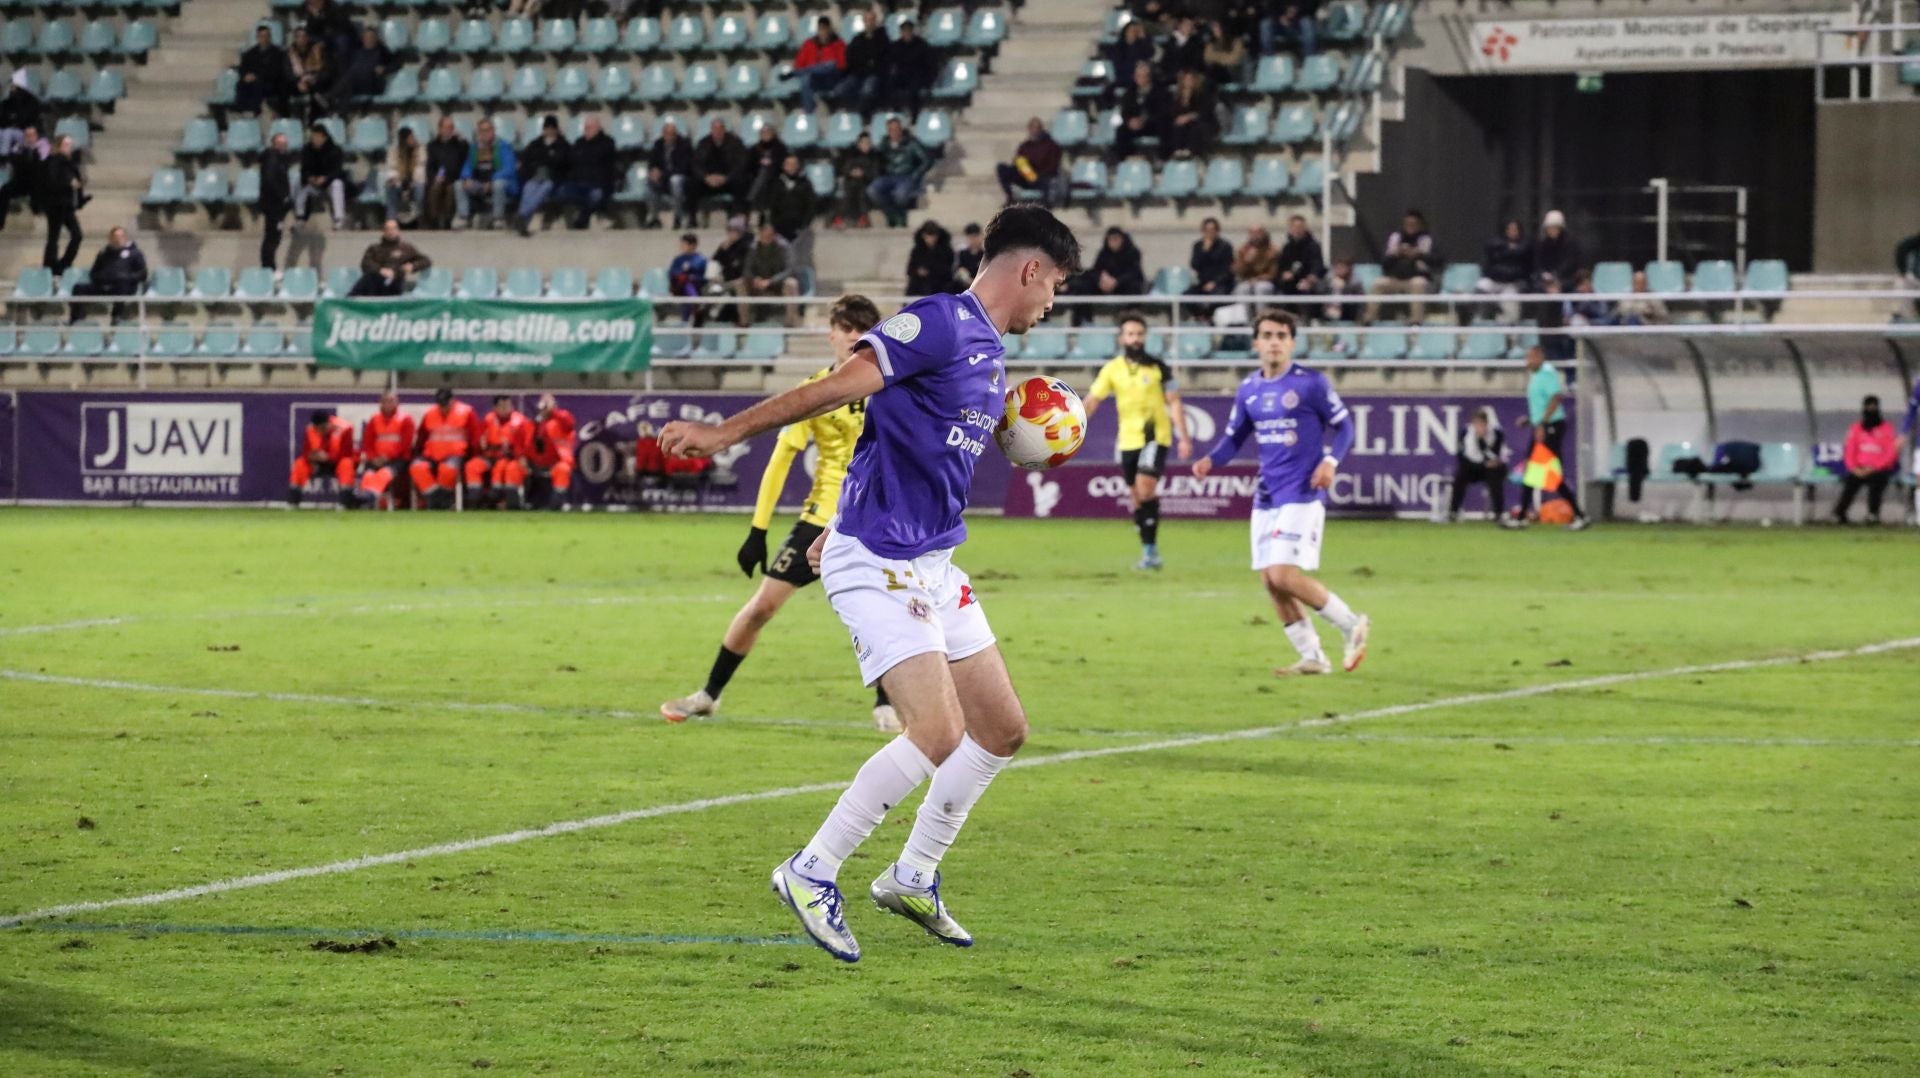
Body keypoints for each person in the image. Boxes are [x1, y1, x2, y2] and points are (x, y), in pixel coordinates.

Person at [657, 204, 1082, 963]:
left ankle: (913, 874)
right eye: (1056, 285)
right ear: (1031, 269)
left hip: (931, 560)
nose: (1054, 302)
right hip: (881, 560)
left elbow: (898, 441)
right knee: (936, 731)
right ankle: (811, 869)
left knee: (1003, 728)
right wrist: (726, 433)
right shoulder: (942, 324)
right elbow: (838, 388)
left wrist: (838, 516)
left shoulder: (989, 350)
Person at [660, 295, 897, 730]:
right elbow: (781, 459)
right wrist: (758, 528)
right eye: (841, 328)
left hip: (874, 519)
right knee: (762, 608)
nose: (843, 335)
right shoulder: (815, 392)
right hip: (819, 519)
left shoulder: (892, 389)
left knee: (883, 610)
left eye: (852, 328)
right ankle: (709, 694)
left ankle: (886, 702)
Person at [1191, 310, 1370, 676]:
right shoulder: (1249, 389)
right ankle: (1314, 657)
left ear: (1292, 342)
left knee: (1284, 574)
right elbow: (1235, 438)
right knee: (1270, 580)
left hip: (1302, 491)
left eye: (1282, 335)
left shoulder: (1311, 384)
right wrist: (1211, 460)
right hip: (1268, 493)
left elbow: (1345, 427)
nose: (1274, 341)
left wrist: (1331, 462)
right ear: (1255, 343)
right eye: (1268, 335)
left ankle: (1351, 623)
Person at [1085, 312, 1192, 569]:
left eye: (1139, 334)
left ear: (1145, 337)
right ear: (1122, 338)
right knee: (1136, 498)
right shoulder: (1112, 369)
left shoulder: (1158, 367)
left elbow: (1174, 401)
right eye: (1130, 334)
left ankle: (1151, 552)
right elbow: (1092, 401)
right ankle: (1149, 552)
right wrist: (1072, 428)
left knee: (1145, 488)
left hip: (1156, 437)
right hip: (1128, 441)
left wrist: (1184, 437)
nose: (1135, 339)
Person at [1513, 345, 1589, 530]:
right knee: (1535, 473)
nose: (1528, 362)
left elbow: (1556, 398)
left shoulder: (1547, 373)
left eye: (1531, 358)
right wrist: (1531, 420)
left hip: (1550, 428)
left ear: (1540, 357)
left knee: (1548, 475)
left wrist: (1542, 424)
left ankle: (1579, 515)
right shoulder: (1537, 376)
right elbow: (1542, 403)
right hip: (1544, 426)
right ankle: (1522, 516)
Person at [409, 387, 482, 510]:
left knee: (447, 469)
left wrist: (472, 455)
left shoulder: (466, 412)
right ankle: (435, 497)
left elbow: (475, 436)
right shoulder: (430, 414)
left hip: (455, 455)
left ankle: (441, 500)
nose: (443, 407)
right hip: (431, 454)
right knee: (416, 467)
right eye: (440, 404)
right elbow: (422, 436)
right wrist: (417, 453)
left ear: (452, 400)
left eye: (445, 404)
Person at [1833, 395, 1899, 525]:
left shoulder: (1887, 428)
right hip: (1859, 468)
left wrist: (1875, 467)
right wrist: (1853, 468)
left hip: (1879, 469)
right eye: (1868, 406)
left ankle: (1873, 515)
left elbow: (1891, 453)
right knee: (1850, 483)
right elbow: (1850, 450)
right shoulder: (1856, 428)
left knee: (1877, 484)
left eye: (1874, 406)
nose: (1871, 409)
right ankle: (1839, 514)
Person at [1364, 209, 1435, 324]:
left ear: (1420, 225)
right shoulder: (1395, 238)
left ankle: (1416, 321)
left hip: (1415, 278)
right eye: (1407, 224)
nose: (1410, 227)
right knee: (1378, 283)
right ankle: (1369, 318)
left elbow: (1436, 262)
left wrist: (1418, 255)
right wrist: (1395, 253)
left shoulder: (1426, 239)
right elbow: (1384, 264)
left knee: (1418, 283)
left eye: (1413, 224)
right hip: (1395, 278)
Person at [1065, 226, 1146, 325]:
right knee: (1083, 285)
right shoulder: (1104, 253)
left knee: (1134, 285)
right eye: (1110, 240)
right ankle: (1082, 322)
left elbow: (1134, 272)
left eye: (1116, 239)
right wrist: (1101, 278)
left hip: (1124, 287)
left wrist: (1117, 281)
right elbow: (1096, 270)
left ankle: (1130, 317)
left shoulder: (1132, 253)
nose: (1113, 243)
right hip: (1104, 286)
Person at [465, 395, 534, 510]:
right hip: (490, 456)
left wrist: (521, 456)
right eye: (501, 406)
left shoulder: (521, 421)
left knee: (506, 467)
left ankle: (503, 500)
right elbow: (479, 441)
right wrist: (482, 446)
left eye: (508, 405)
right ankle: (474, 501)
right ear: (495, 408)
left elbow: (526, 444)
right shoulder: (488, 420)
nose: (505, 409)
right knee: (472, 466)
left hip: (512, 458)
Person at [69, 226, 147, 321]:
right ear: (110, 239)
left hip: (123, 287)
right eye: (115, 237)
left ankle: (116, 317)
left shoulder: (135, 254)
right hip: (104, 286)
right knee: (78, 288)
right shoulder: (103, 254)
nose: (117, 240)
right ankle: (76, 318)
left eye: (120, 237)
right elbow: (94, 272)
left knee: (122, 283)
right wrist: (102, 278)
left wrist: (127, 277)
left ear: (125, 238)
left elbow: (142, 274)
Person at [866, 117, 930, 228]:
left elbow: (927, 160)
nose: (894, 132)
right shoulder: (883, 144)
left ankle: (900, 216)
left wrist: (916, 175)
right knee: (872, 190)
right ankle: (891, 214)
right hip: (888, 177)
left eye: (896, 129)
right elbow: (875, 160)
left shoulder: (911, 143)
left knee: (900, 194)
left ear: (901, 130)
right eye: (891, 130)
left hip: (906, 176)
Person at [354, 393, 415, 508]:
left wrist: (388, 457)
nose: (388, 404)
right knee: (368, 474)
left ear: (397, 403)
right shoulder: (374, 419)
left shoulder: (405, 419)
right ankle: (366, 499)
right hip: (376, 458)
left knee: (384, 473)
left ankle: (369, 497)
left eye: (391, 401)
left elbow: (405, 444)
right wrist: (373, 457)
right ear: (381, 403)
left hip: (398, 459)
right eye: (385, 401)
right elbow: (368, 442)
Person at [1447, 406, 1508, 522]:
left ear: (1486, 423)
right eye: (1476, 424)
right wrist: (1482, 465)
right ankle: (1453, 512)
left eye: (1481, 424)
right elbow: (1461, 456)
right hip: (1472, 466)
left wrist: (1481, 441)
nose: (1479, 427)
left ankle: (1498, 513)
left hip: (1491, 469)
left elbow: (1494, 457)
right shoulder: (1466, 433)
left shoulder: (1496, 434)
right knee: (1460, 477)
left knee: (1496, 477)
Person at [733, 221, 799, 327]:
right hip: (757, 284)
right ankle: (744, 322)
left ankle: (790, 323)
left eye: (769, 236)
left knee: (791, 284)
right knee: (739, 283)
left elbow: (790, 270)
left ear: (774, 235)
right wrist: (754, 279)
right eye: (764, 236)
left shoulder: (784, 247)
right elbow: (747, 270)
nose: (766, 238)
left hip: (778, 284)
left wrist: (770, 281)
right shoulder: (753, 248)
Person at [514, 115, 571, 236]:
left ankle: (523, 215)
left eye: (552, 128)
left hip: (554, 179)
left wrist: (547, 159)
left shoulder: (563, 145)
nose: (549, 131)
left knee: (545, 187)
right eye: (547, 128)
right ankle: (523, 223)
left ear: (556, 129)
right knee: (528, 188)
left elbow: (563, 163)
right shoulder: (535, 144)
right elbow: (526, 160)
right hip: (535, 177)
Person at [288, 409, 357, 507]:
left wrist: (328, 457)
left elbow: (347, 453)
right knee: (300, 463)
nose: (321, 431)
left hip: (338, 462)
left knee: (347, 463)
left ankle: (344, 501)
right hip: (318, 463)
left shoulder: (345, 428)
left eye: (323, 428)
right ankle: (293, 500)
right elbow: (306, 452)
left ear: (329, 423)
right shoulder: (311, 430)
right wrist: (312, 457)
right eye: (318, 429)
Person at [457, 117, 517, 229]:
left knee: (498, 184)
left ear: (493, 130)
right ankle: (464, 218)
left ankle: (498, 218)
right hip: (480, 183)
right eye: (483, 130)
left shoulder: (503, 146)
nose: (486, 133)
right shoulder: (474, 148)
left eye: (488, 130)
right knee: (459, 184)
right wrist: (467, 177)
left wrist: (491, 181)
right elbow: (467, 166)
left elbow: (509, 169)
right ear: (479, 132)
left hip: (499, 183)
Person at [349, 218, 432, 297]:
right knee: (368, 278)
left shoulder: (406, 248)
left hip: (395, 281)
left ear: (398, 231)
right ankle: (349, 302)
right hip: (376, 281)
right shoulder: (374, 248)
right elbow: (365, 263)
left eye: (393, 229)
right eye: (388, 229)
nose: (391, 232)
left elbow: (426, 260)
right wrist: (380, 270)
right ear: (384, 231)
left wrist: (413, 266)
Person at [994, 117, 1064, 207]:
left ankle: (1045, 206)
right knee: (1002, 168)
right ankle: (1010, 198)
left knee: (1046, 181)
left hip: (1041, 177)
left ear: (1041, 129)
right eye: (1032, 128)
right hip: (1026, 177)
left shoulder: (1051, 145)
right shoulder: (1025, 145)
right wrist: (1021, 166)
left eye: (1037, 128)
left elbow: (1053, 165)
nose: (1034, 131)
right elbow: (1018, 160)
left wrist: (1037, 174)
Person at [40, 134, 83, 274]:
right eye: (66, 144)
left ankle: (60, 265)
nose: (69, 148)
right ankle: (53, 266)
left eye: (70, 145)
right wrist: (69, 184)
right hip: (56, 204)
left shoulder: (68, 163)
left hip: (65, 204)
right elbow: (51, 182)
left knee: (72, 236)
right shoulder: (53, 161)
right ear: (58, 146)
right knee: (56, 237)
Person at [524, 393, 576, 510]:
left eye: (548, 403)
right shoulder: (534, 423)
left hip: (557, 461)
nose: (545, 407)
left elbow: (570, 423)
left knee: (562, 469)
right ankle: (521, 503)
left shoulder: (561, 419)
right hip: (536, 462)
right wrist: (523, 457)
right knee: (515, 468)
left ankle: (556, 506)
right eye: (543, 403)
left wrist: (552, 410)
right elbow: (526, 444)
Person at [565, 115, 617, 229]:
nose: (586, 130)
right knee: (565, 191)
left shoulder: (607, 143)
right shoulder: (579, 143)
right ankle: (591, 216)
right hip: (579, 182)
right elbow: (572, 162)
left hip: (599, 182)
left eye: (589, 127)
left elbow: (606, 165)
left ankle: (581, 220)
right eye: (585, 127)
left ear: (598, 128)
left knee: (595, 195)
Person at [1113, 61, 1168, 161]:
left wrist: (1144, 121)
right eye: (1138, 76)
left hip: (1152, 125)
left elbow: (1162, 112)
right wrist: (1129, 121)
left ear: (1149, 77)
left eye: (1144, 76)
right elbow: (1125, 111)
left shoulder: (1160, 92)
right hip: (1135, 125)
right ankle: (1125, 159)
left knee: (1164, 125)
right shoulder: (1130, 92)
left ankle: (1163, 157)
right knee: (1121, 130)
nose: (1140, 79)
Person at [693, 118, 746, 221]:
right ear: (711, 130)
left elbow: (740, 164)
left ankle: (736, 215)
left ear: (724, 129)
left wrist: (726, 178)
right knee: (691, 184)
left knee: (742, 182)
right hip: (708, 180)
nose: (717, 131)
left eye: (720, 128)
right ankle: (692, 218)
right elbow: (696, 164)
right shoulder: (703, 143)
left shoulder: (735, 143)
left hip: (728, 180)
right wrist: (706, 177)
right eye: (715, 128)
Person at [294, 124, 346, 229]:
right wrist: (310, 178)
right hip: (313, 184)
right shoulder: (307, 150)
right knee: (298, 183)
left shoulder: (335, 150)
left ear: (324, 137)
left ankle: (338, 219)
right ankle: (300, 217)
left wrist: (325, 178)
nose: (314, 139)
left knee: (338, 184)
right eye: (313, 137)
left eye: (317, 137)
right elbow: (304, 170)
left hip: (328, 183)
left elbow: (337, 171)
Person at [839, 7, 888, 118]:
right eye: (867, 20)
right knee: (842, 89)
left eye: (871, 19)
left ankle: (861, 115)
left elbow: (880, 59)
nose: (869, 23)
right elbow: (851, 58)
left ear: (875, 21)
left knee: (867, 89)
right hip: (858, 74)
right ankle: (852, 111)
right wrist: (867, 61)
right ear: (864, 22)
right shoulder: (857, 39)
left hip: (874, 75)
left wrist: (867, 61)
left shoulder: (882, 38)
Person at [0, 123, 48, 233]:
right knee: (4, 190)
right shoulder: (19, 147)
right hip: (21, 181)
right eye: (27, 135)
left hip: (37, 181)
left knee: (39, 184)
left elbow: (44, 163)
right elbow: (13, 160)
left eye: (32, 135)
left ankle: (38, 211)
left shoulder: (42, 146)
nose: (29, 137)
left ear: (36, 135)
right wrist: (22, 150)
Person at [793, 16, 846, 114]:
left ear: (829, 29)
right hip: (814, 79)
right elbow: (798, 65)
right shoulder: (809, 44)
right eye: (820, 29)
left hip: (831, 79)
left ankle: (814, 70)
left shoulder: (838, 44)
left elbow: (842, 65)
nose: (822, 32)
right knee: (806, 79)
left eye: (825, 29)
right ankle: (809, 113)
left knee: (830, 65)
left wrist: (825, 67)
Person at [644, 119, 692, 228]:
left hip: (681, 179)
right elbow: (652, 162)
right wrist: (653, 171)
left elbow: (683, 167)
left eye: (672, 134)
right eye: (666, 134)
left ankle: (678, 216)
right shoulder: (658, 144)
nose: (669, 136)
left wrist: (663, 174)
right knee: (649, 182)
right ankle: (654, 217)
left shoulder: (684, 144)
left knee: (675, 181)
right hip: (663, 178)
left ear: (676, 134)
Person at [328, 26, 392, 108]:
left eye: (372, 37)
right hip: (356, 83)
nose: (369, 39)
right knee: (348, 85)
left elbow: (396, 63)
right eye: (367, 37)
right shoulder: (357, 51)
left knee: (350, 76)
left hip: (371, 84)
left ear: (376, 39)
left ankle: (329, 97)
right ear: (363, 39)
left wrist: (384, 69)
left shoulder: (382, 51)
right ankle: (341, 113)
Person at [757, 154, 815, 242]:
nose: (791, 167)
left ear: (798, 166)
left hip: (799, 227)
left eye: (793, 164)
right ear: (784, 165)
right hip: (779, 227)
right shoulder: (776, 182)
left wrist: (805, 224)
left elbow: (811, 205)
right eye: (788, 164)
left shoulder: (805, 183)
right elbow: (771, 204)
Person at [235, 25, 291, 116]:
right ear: (257, 38)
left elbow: (276, 71)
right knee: (240, 84)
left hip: (272, 83)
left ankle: (255, 111)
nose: (264, 39)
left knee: (259, 85)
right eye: (261, 36)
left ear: (270, 37)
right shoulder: (250, 53)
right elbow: (243, 68)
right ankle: (242, 110)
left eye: (266, 36)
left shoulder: (278, 53)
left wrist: (256, 76)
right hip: (253, 82)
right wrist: (245, 76)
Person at [884, 18, 935, 118]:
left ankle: (914, 116)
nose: (906, 33)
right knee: (889, 85)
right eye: (904, 31)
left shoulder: (922, 45)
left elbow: (930, 65)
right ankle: (895, 114)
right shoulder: (895, 46)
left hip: (918, 76)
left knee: (913, 89)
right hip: (902, 76)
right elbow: (889, 62)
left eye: (908, 30)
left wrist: (928, 79)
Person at [422, 116, 466, 230]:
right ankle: (433, 220)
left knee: (451, 189)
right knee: (435, 187)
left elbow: (464, 160)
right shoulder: (433, 145)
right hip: (438, 177)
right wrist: (434, 177)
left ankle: (447, 220)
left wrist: (462, 141)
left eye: (451, 127)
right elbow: (430, 166)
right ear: (440, 129)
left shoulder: (459, 145)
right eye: (445, 127)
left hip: (454, 177)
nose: (448, 130)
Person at [258, 132, 293, 268]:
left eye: (285, 144)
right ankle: (268, 266)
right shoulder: (273, 159)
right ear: (274, 144)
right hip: (273, 204)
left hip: (273, 204)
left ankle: (269, 265)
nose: (284, 146)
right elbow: (270, 180)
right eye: (281, 144)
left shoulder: (277, 159)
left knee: (273, 236)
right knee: (272, 237)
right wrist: (283, 196)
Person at [1165, 68, 1217, 159]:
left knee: (1194, 126)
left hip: (1201, 123)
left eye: (1191, 79)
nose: (1189, 82)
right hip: (1183, 124)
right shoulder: (1177, 96)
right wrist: (1184, 100)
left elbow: (1204, 112)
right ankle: (1177, 150)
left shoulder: (1203, 94)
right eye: (1186, 79)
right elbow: (1173, 112)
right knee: (1177, 125)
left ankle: (1191, 150)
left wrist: (1188, 117)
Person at [830, 131, 877, 229]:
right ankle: (841, 218)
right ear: (859, 144)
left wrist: (863, 174)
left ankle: (862, 218)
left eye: (868, 143)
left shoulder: (874, 157)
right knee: (851, 188)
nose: (866, 145)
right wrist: (851, 173)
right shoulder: (852, 156)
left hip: (868, 183)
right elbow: (846, 169)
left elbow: (875, 173)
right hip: (852, 183)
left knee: (861, 191)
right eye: (863, 143)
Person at [383, 125, 425, 224]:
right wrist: (397, 181)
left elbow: (420, 170)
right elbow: (391, 169)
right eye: (411, 137)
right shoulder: (394, 152)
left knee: (420, 188)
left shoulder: (421, 150)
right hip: (400, 182)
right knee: (390, 187)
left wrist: (410, 186)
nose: (413, 139)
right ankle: (391, 219)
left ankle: (419, 217)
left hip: (415, 182)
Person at [739, 123, 789, 207]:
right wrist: (759, 161)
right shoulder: (755, 148)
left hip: (776, 173)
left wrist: (772, 162)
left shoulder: (780, 147)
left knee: (766, 171)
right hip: (756, 174)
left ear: (773, 133)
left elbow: (784, 161)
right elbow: (748, 163)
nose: (765, 134)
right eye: (763, 132)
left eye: (768, 132)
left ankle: (750, 199)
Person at [1275, 214, 1325, 296]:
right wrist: (1284, 274)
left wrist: (1310, 279)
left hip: (1307, 280)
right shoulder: (1287, 248)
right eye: (1294, 227)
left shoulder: (1313, 246)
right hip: (1290, 282)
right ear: (1290, 229)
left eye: (1300, 227)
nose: (1297, 230)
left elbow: (1317, 266)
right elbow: (1281, 267)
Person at [1533, 209, 1583, 292]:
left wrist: (1556, 276)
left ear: (1560, 228)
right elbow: (1538, 264)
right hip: (1545, 280)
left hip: (1565, 279)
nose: (1551, 230)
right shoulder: (1542, 244)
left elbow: (1570, 264)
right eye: (1549, 228)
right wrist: (1546, 276)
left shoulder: (1570, 244)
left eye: (1554, 227)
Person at [0, 70, 46, 157]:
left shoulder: (32, 101)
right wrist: (9, 121)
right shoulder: (8, 101)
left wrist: (13, 121)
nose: (11, 87)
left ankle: (3, 161)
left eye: (13, 84)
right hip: (9, 128)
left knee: (8, 133)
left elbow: (26, 120)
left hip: (25, 132)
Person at [905, 220, 955, 297]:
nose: (930, 239)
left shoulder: (946, 250)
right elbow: (910, 269)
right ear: (923, 236)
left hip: (940, 283)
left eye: (933, 236)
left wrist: (931, 271)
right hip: (920, 283)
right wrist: (918, 272)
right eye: (928, 236)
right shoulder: (917, 250)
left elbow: (948, 269)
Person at [1188, 216, 1234, 296]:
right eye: (1206, 230)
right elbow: (1195, 264)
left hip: (1221, 283)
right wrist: (1204, 251)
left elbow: (1227, 269)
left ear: (1217, 231)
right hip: (1203, 282)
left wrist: (1215, 282)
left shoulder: (1225, 246)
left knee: (1216, 296)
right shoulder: (1198, 246)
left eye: (1212, 230)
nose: (1209, 233)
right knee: (1187, 296)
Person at [667, 231, 708, 322]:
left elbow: (704, 277)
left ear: (693, 245)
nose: (681, 246)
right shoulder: (678, 259)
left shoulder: (701, 259)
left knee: (688, 283)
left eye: (684, 244)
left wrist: (690, 276)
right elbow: (672, 273)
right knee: (685, 281)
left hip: (697, 288)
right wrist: (683, 275)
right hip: (678, 288)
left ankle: (686, 319)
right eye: (682, 244)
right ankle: (696, 302)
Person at [1232, 225, 1278, 296]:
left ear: (1263, 234)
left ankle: (1261, 308)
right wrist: (1246, 261)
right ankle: (1243, 307)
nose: (1255, 236)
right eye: (1252, 233)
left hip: (1265, 281)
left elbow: (1273, 273)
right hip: (1248, 281)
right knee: (1241, 289)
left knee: (1260, 288)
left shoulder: (1272, 250)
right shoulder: (1243, 249)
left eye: (1258, 233)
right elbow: (1238, 272)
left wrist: (1258, 279)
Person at [1320, 258, 1364, 322]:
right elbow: (1320, 291)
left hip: (1347, 313)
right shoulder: (1328, 280)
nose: (1339, 270)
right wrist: (1330, 285)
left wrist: (1344, 288)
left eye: (1342, 268)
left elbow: (1358, 303)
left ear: (1348, 269)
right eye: (1337, 268)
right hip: (1328, 311)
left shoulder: (1355, 283)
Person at [952, 222, 984, 287]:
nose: (973, 240)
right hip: (965, 284)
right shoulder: (962, 253)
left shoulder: (985, 254)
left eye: (975, 237)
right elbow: (958, 270)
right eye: (970, 238)